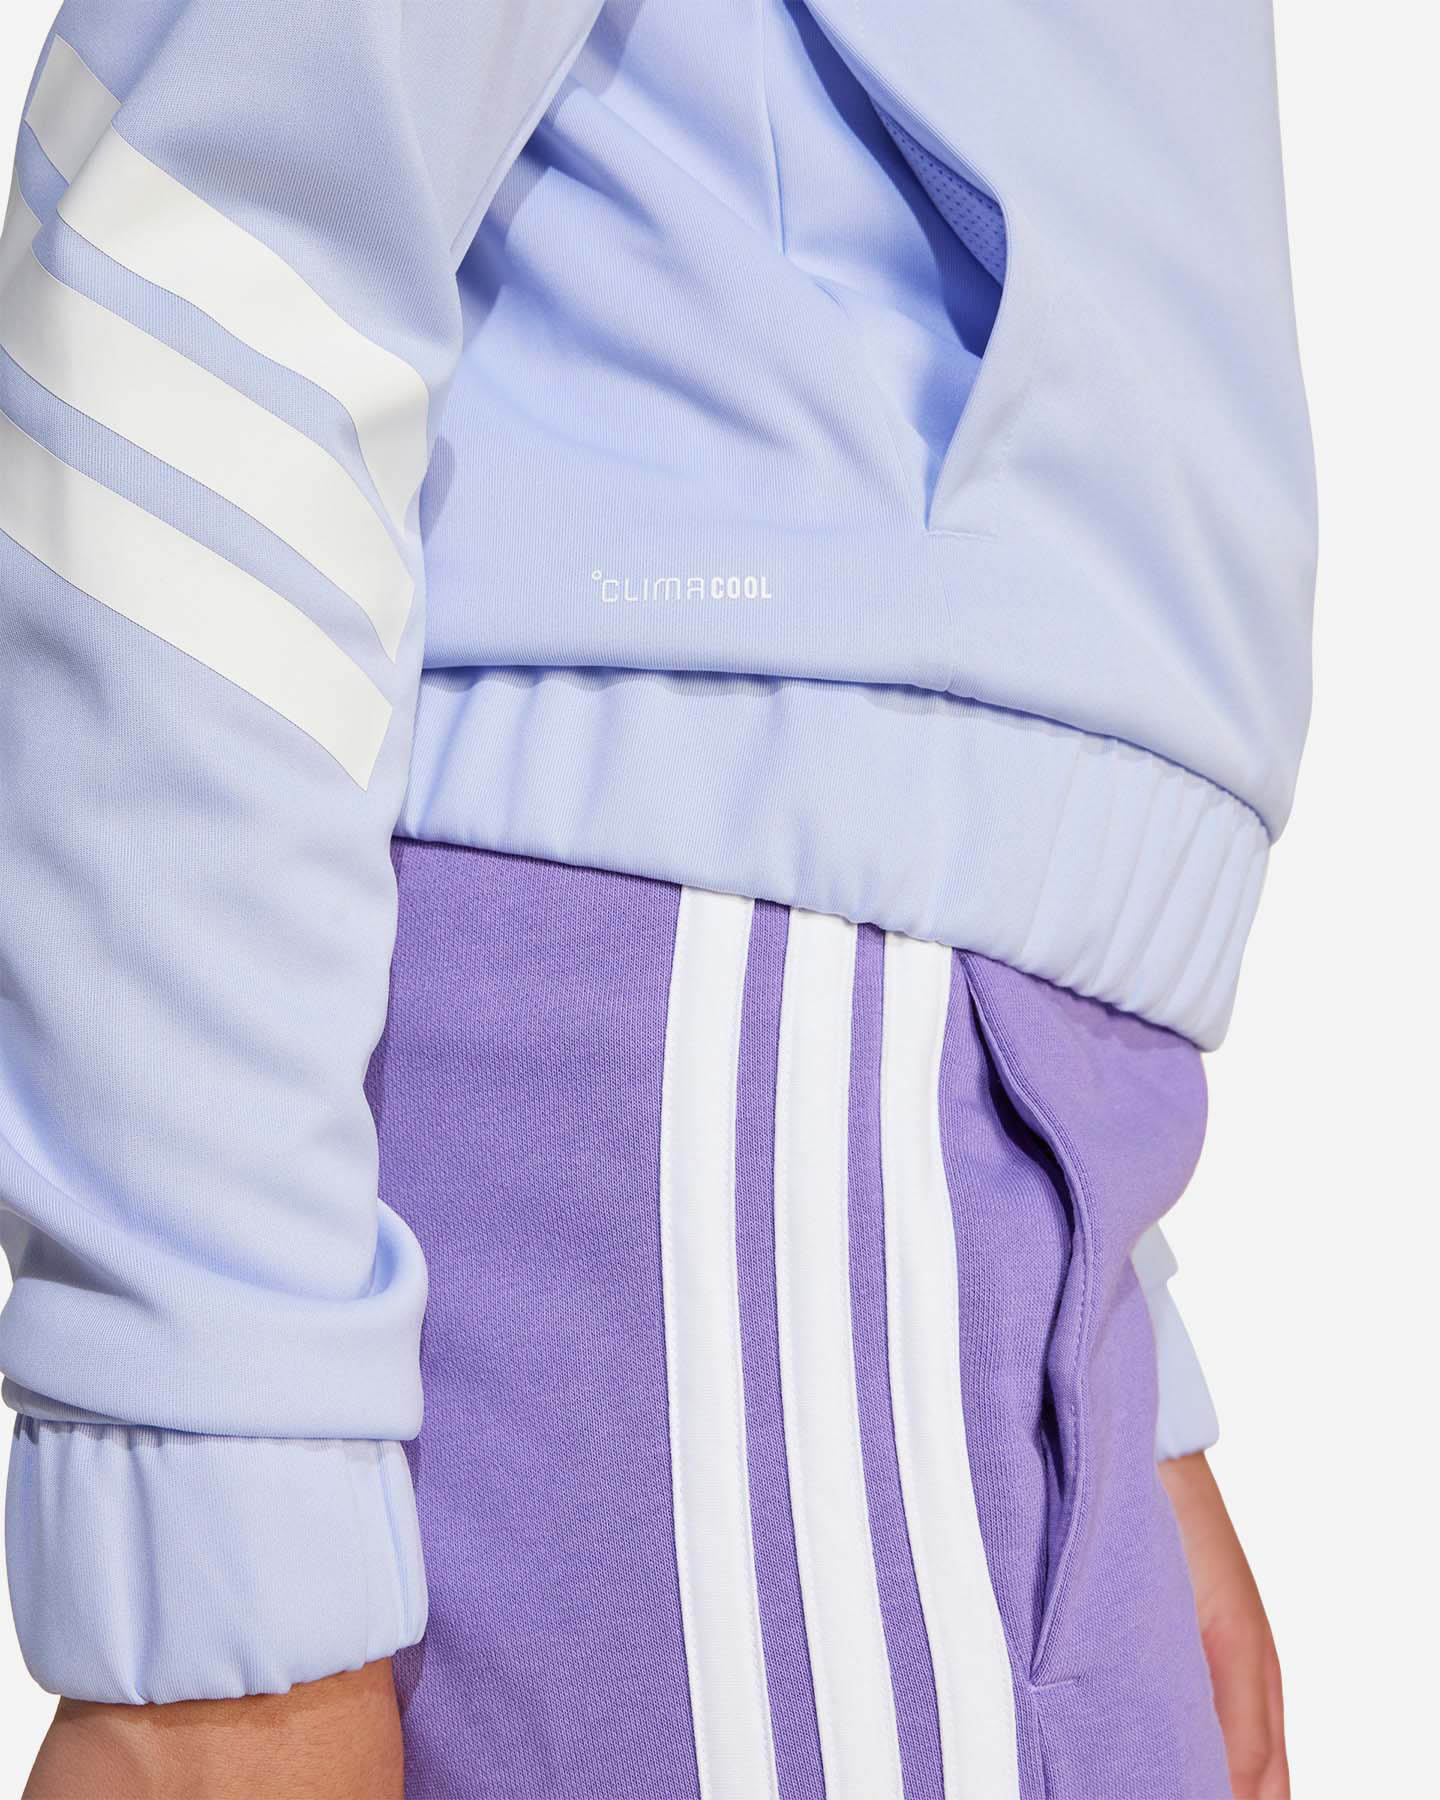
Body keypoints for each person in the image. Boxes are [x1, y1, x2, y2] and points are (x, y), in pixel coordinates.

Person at [0, 1, 1311, 1795]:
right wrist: (217, 1565)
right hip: (711, 1094)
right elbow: (215, 240)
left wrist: (1104, 1335)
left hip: (921, 1141)